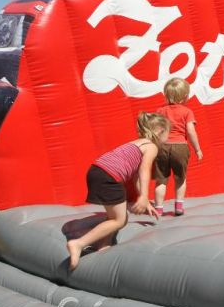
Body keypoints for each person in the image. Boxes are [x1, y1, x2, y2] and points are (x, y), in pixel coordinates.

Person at [66, 112, 169, 270]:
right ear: (160, 131)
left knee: (113, 216)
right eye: (167, 134)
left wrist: (145, 201)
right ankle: (79, 243)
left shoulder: (136, 143)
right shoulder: (151, 146)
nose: (167, 140)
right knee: (120, 220)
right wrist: (143, 196)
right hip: (109, 176)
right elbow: (144, 170)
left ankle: (103, 245)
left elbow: (135, 178)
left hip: (96, 171)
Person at [154, 77, 202, 216]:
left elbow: (156, 131)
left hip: (162, 147)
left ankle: (158, 208)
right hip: (180, 147)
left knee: (161, 180)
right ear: (185, 96)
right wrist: (197, 149)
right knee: (180, 178)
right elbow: (191, 132)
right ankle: (179, 206)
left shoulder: (160, 111)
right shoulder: (187, 112)